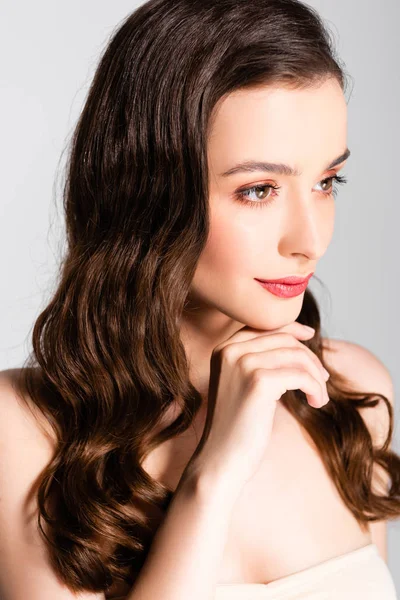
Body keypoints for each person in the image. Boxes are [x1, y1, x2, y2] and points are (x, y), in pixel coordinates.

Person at [0, 0, 399, 599]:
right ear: (148, 192)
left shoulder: (349, 399)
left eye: (325, 182)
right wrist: (213, 477)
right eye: (258, 190)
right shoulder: (25, 433)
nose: (310, 240)